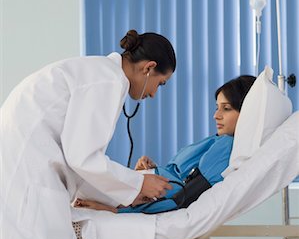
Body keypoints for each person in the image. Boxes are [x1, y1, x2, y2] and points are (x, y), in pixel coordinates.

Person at [0, 30, 175, 239]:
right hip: (29, 180)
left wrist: (122, 192)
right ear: (149, 68)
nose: (153, 94)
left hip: (24, 170)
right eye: (160, 84)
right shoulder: (108, 81)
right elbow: (82, 157)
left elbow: (78, 157)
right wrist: (138, 184)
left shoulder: (98, 73)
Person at [74, 75, 256, 214]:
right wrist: (152, 172)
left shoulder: (226, 147)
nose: (216, 115)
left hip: (130, 197)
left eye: (226, 108)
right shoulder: (217, 142)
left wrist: (116, 210)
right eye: (217, 107)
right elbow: (179, 180)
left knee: (76, 184)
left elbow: (181, 197)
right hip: (132, 190)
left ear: (247, 111)